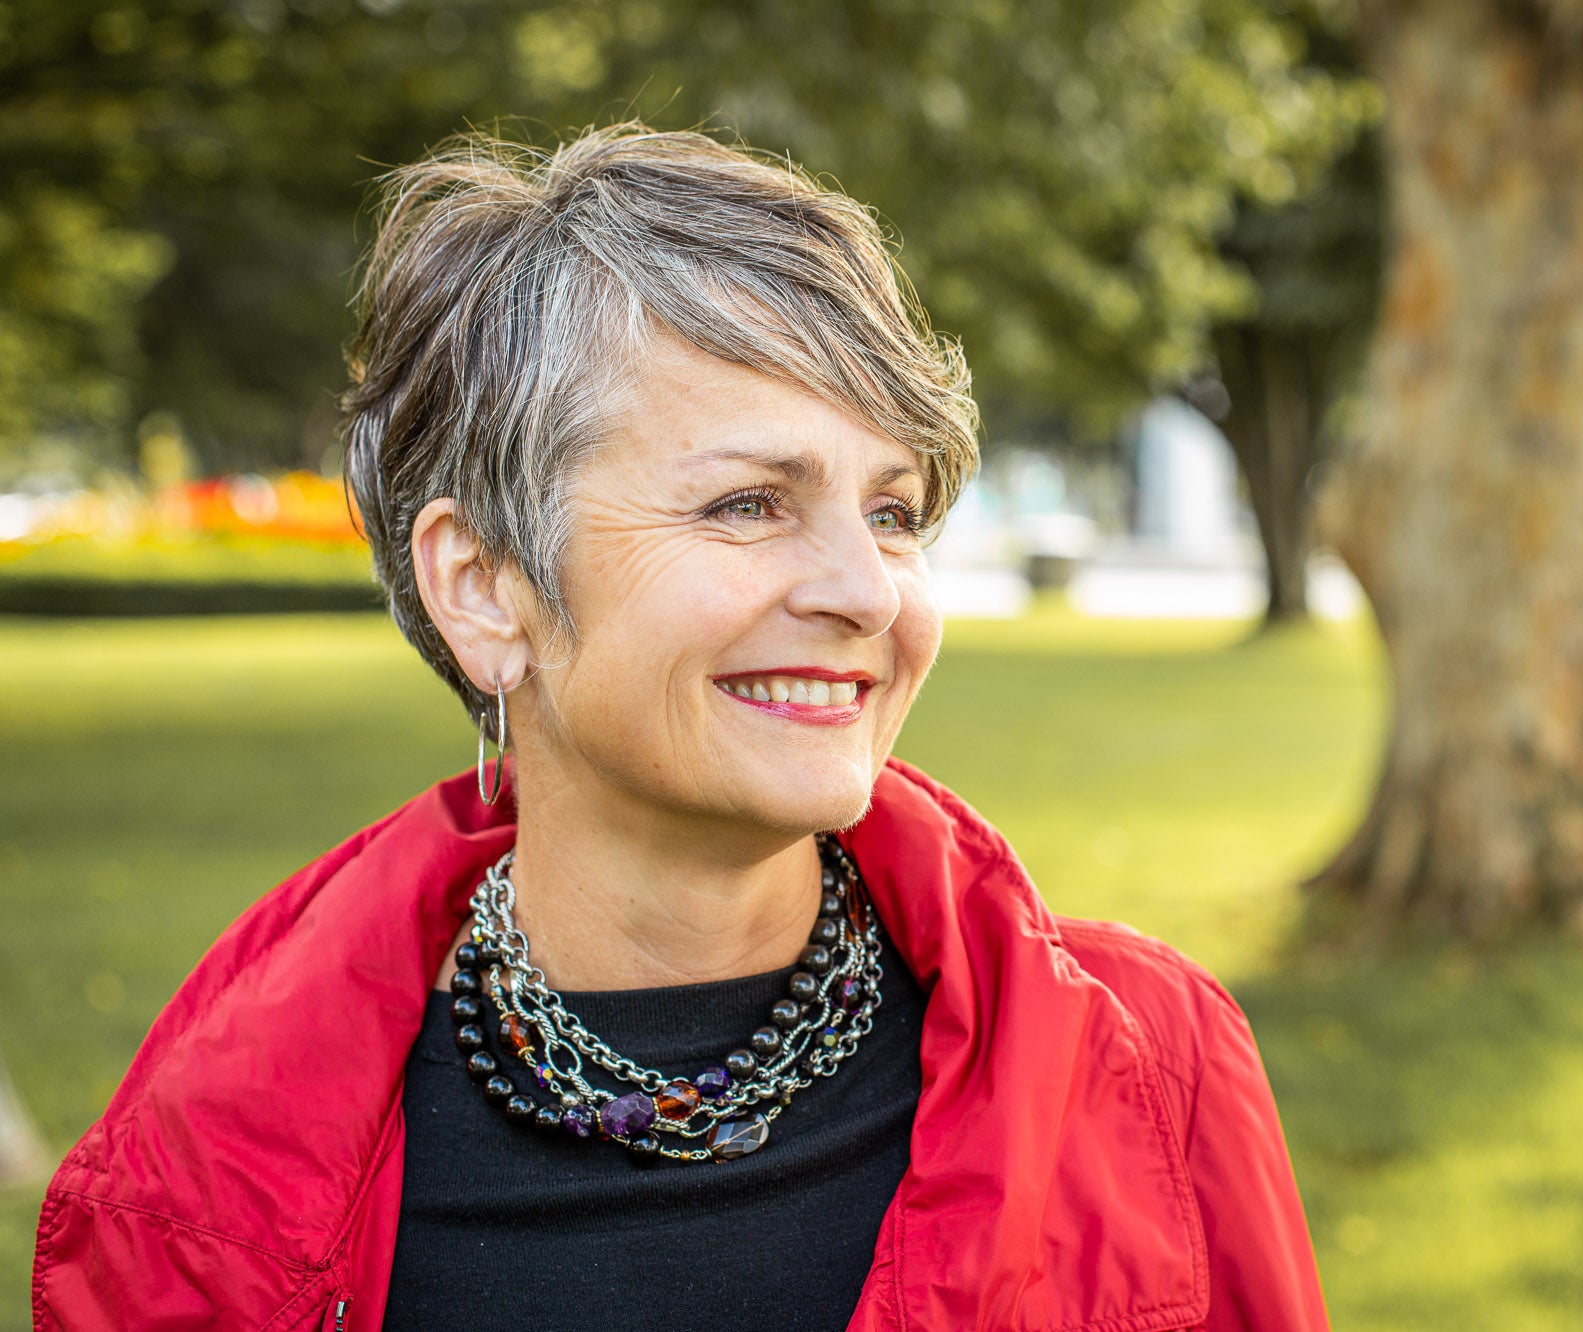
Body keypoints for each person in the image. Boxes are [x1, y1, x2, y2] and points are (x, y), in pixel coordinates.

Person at [31, 125, 1328, 1332]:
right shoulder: (204, 1183)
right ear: (485, 589)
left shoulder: (1152, 1073)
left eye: (892, 511)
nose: (867, 590)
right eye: (750, 504)